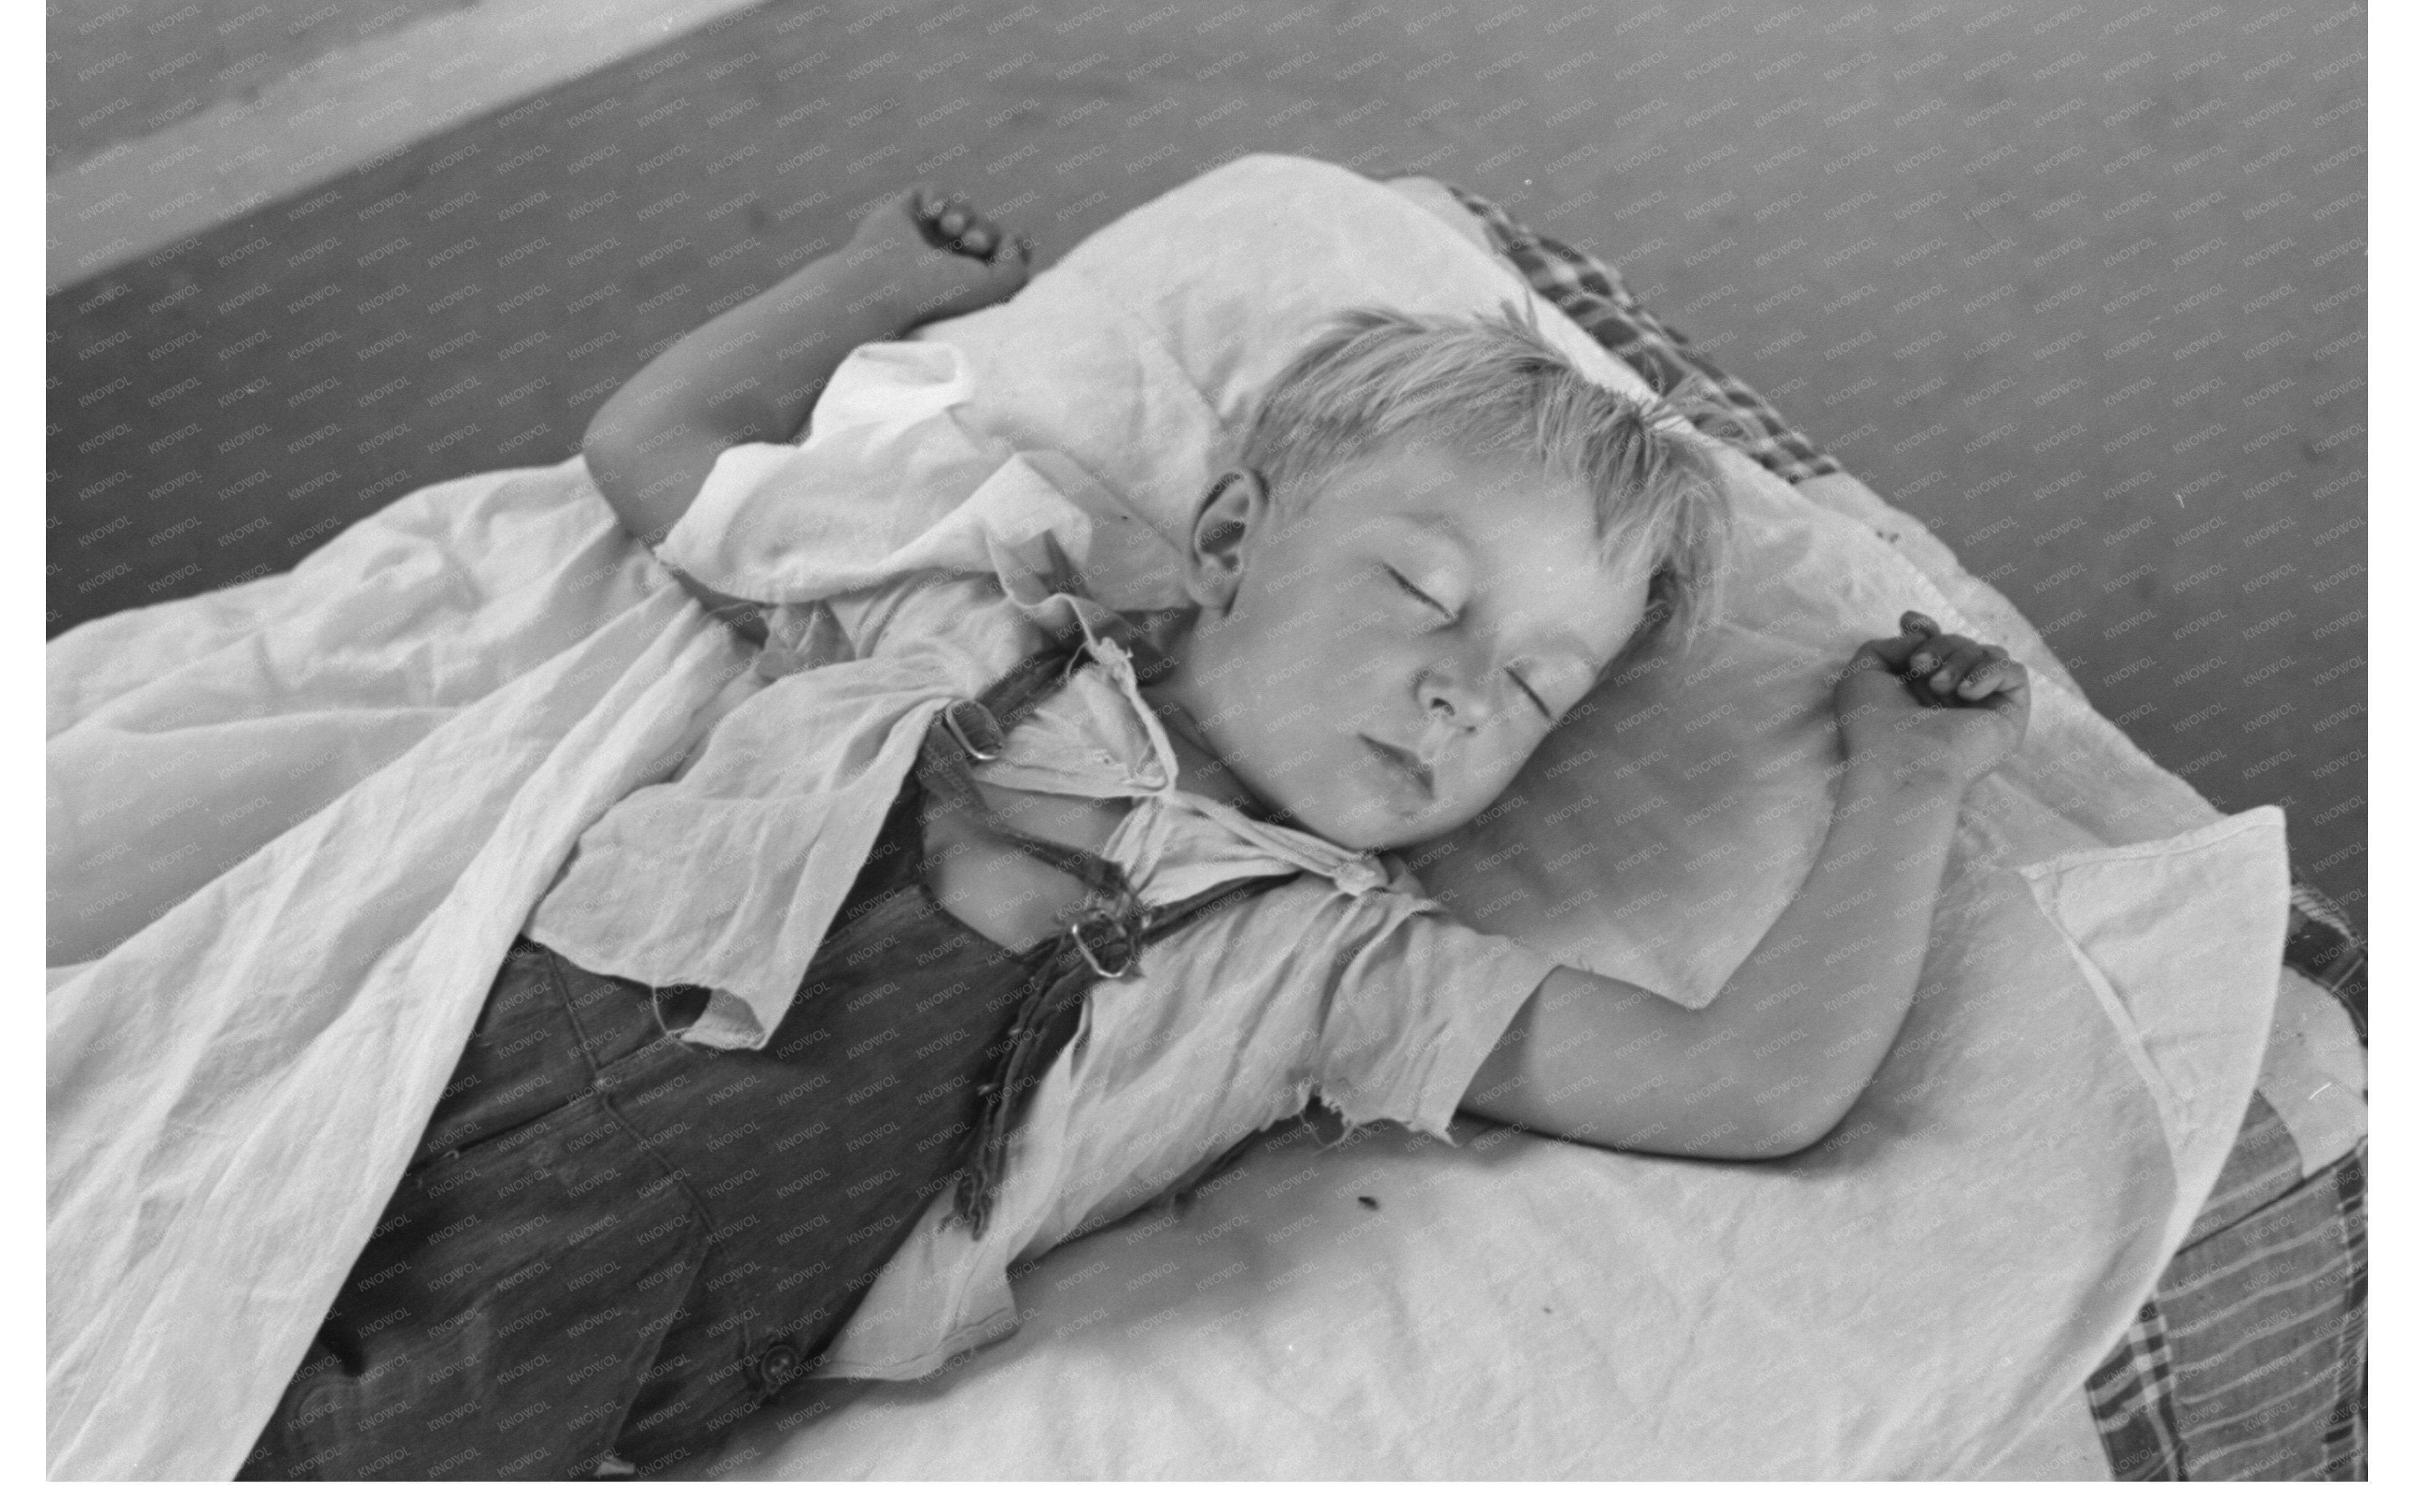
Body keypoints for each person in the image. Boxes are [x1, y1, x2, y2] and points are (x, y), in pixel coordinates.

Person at [240, 184, 2029, 1480]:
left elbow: (1748, 1086)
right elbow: (655, 449)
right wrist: (869, 278)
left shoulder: (1333, 961)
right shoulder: (958, 619)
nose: (1460, 687)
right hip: (372, 1109)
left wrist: (1910, 781)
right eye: (1421, 588)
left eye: (1539, 685)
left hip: (576, 1341)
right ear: (1235, 534)